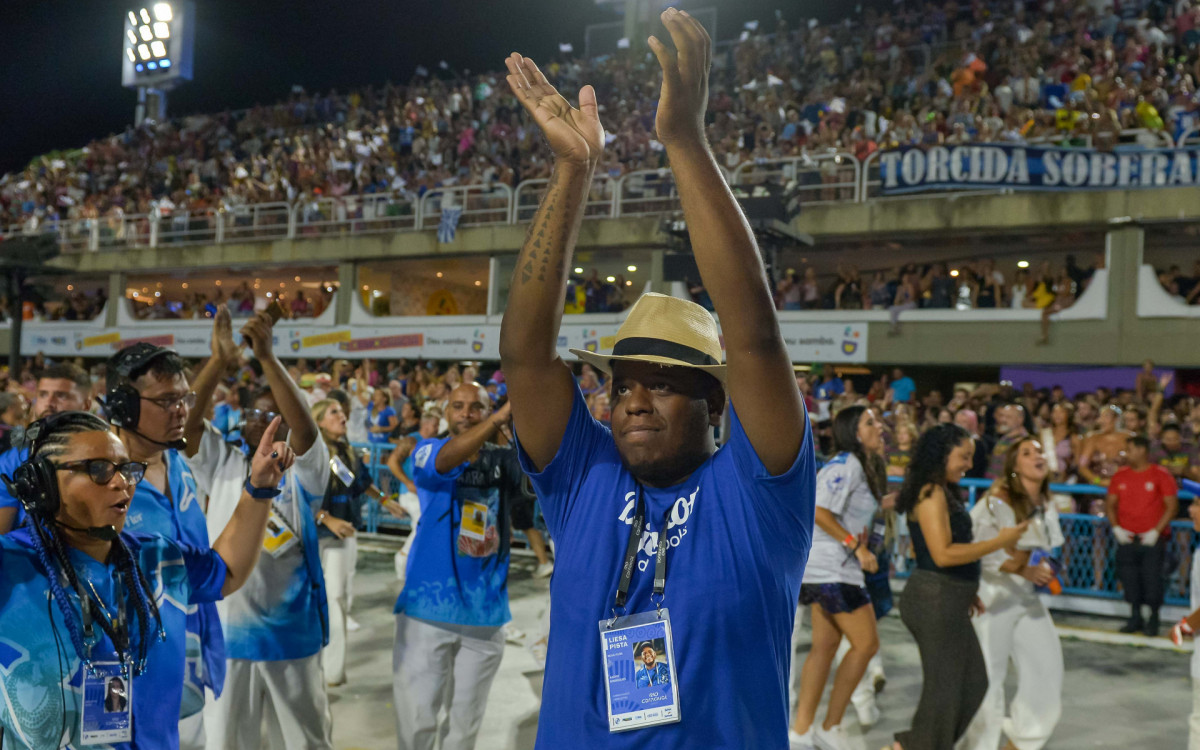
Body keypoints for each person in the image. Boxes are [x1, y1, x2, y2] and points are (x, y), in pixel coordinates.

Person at [500, 11, 813, 747]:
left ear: (715, 398)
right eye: (622, 383)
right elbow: (525, 357)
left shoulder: (759, 491)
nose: (633, 400)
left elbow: (757, 340)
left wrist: (685, 140)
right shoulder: (587, 479)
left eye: (663, 383)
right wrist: (573, 172)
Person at [0, 409, 292, 748]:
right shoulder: (11, 566)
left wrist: (259, 488)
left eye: (126, 469)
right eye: (98, 470)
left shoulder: (157, 556)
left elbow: (226, 571)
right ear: (44, 485)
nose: (121, 482)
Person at [186, 308, 335, 750]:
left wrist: (268, 358)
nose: (261, 422)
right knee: (226, 742)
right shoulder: (226, 462)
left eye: (274, 416)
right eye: (254, 413)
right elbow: (187, 424)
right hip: (227, 635)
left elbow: (306, 430)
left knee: (307, 742)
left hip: (292, 633)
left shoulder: (306, 473)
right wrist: (217, 361)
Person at [105, 339, 224, 749]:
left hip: (186, 671)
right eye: (167, 400)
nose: (182, 410)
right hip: (130, 686)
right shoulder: (99, 480)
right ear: (123, 406)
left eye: (184, 398)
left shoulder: (179, 464)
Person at [392, 387, 525, 750]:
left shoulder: (505, 459)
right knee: (417, 722)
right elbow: (446, 461)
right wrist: (498, 419)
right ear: (446, 412)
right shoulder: (428, 450)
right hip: (427, 613)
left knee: (464, 730)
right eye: (458, 406)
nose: (467, 413)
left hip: (486, 614)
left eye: (476, 406)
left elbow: (539, 477)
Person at [889, 424, 1027, 750]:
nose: (968, 464)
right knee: (945, 690)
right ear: (941, 453)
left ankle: (911, 746)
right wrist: (1000, 542)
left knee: (973, 684)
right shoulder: (930, 493)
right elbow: (942, 553)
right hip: (934, 598)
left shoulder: (941, 490)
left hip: (947, 597)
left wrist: (968, 588)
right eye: (963, 456)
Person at [790, 405, 888, 750]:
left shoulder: (859, 465)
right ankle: (830, 726)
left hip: (827, 568)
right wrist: (857, 547)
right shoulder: (846, 464)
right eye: (870, 422)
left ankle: (801, 731)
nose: (880, 427)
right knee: (867, 644)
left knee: (825, 647)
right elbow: (819, 510)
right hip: (834, 568)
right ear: (854, 432)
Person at [964, 437, 1064, 750]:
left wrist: (1047, 568)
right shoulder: (996, 500)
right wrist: (1023, 570)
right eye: (1026, 452)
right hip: (993, 597)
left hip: (1026, 598)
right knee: (988, 679)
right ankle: (979, 744)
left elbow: (1051, 547)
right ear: (1014, 466)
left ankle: (1023, 741)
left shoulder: (1047, 502)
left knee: (1047, 669)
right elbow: (981, 550)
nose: (1037, 456)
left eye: (1039, 451)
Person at [311, 398, 405, 687]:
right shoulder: (310, 454)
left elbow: (362, 484)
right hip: (313, 536)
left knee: (337, 597)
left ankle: (333, 671)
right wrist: (326, 519)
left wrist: (387, 502)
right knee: (310, 599)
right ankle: (310, 663)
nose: (342, 416)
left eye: (341, 411)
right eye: (334, 412)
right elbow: (298, 494)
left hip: (342, 536)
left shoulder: (347, 452)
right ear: (320, 422)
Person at [0, 363, 93, 534]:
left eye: (61, 395)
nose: (49, 403)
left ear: (86, 404)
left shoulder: (106, 456)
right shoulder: (13, 460)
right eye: (43, 395)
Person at [1107, 435, 1179, 635]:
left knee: (1152, 579)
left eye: (1129, 449)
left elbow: (1172, 506)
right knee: (1129, 578)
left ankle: (1153, 620)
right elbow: (1110, 505)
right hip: (1127, 537)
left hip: (1152, 539)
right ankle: (1135, 617)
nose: (1126, 453)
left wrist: (1156, 532)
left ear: (1141, 450)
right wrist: (1116, 529)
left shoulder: (1160, 475)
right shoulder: (1120, 475)